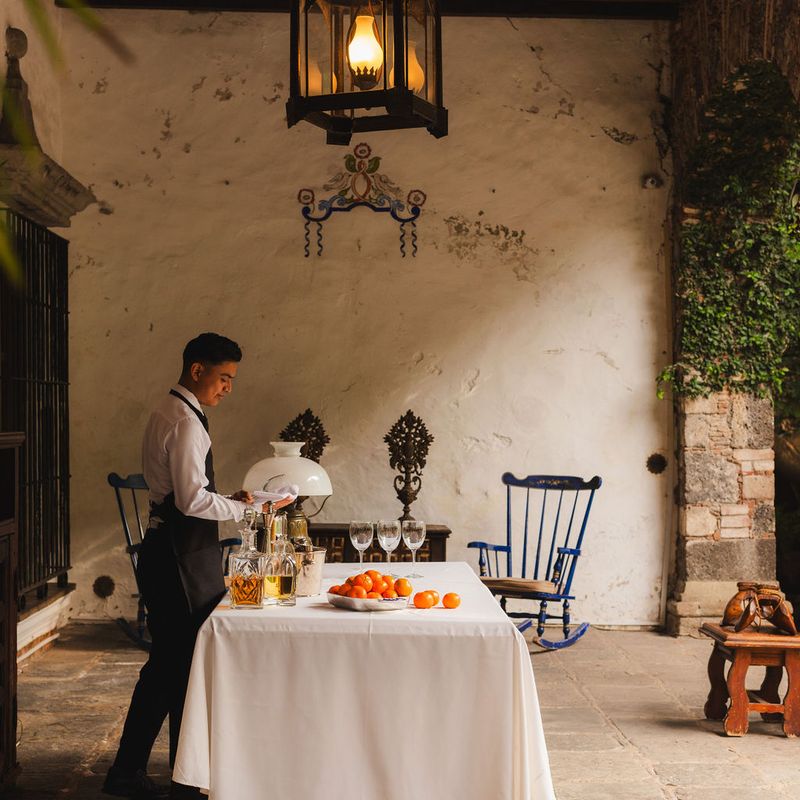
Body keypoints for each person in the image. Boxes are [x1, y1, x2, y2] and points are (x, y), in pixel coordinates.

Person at [103, 333, 292, 800]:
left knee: (171, 665)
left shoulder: (168, 411)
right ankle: (169, 778)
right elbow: (189, 501)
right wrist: (248, 511)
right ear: (197, 370)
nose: (228, 387)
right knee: (176, 665)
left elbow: (181, 492)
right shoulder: (187, 423)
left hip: (176, 551)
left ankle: (145, 773)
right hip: (178, 558)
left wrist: (229, 500)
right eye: (224, 377)